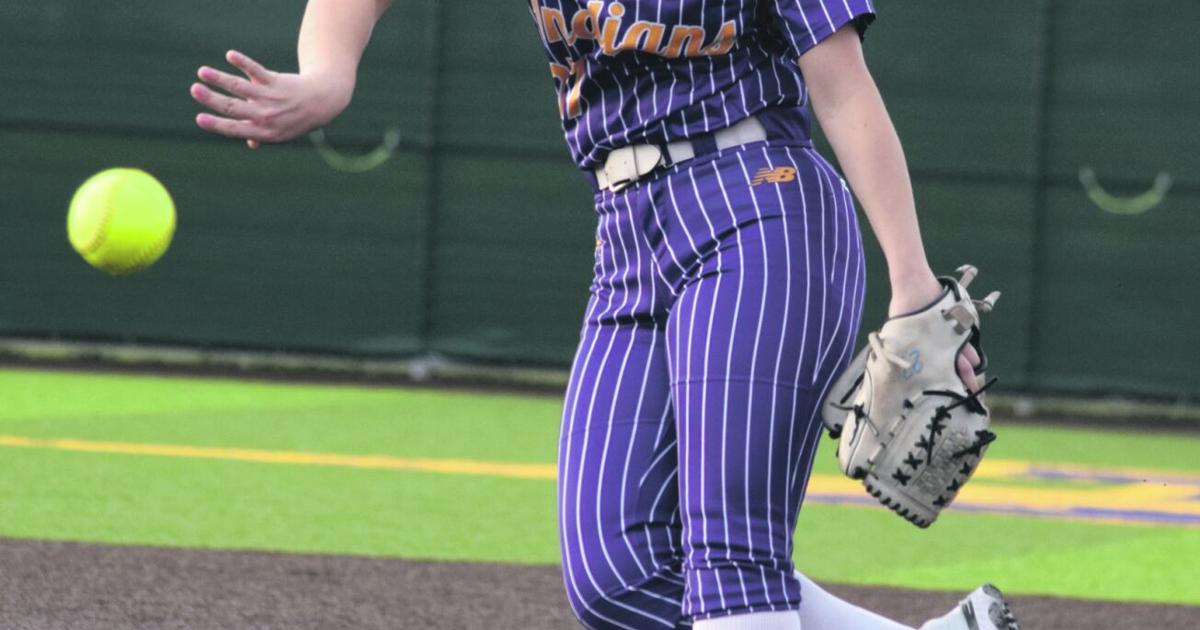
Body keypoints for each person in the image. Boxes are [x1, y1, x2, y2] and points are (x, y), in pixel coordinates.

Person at [190, 1, 1019, 629]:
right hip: (625, 237)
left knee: (731, 556)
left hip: (760, 205)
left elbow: (841, 87)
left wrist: (913, 284)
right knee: (615, 574)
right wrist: (327, 73)